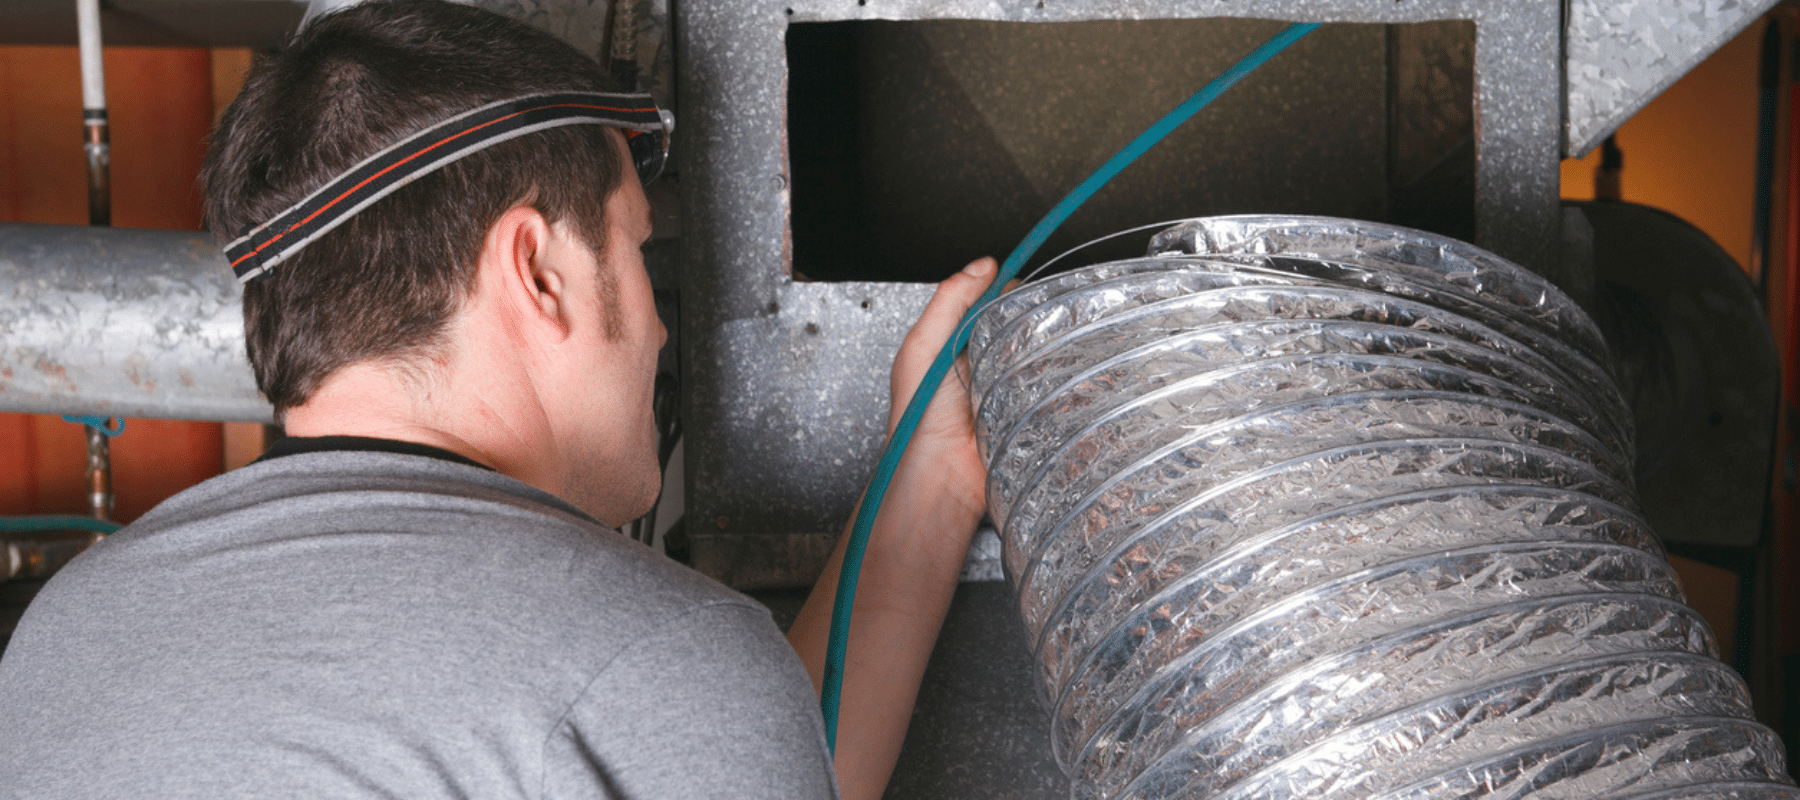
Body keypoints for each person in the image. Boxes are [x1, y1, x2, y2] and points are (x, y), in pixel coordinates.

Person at [0, 1, 993, 798]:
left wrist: (934, 475)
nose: (655, 329)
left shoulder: (64, 637)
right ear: (539, 273)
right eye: (636, 249)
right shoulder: (651, 661)